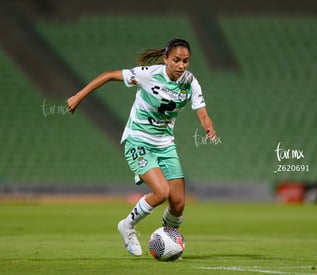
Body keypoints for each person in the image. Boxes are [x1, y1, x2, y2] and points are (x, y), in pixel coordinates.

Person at [66, 38, 217, 255]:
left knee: (179, 204)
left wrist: (208, 127)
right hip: (138, 139)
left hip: (165, 144)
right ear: (165, 59)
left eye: (186, 61)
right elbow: (109, 75)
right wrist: (78, 97)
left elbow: (202, 113)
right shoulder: (149, 74)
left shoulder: (191, 82)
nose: (181, 65)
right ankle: (127, 226)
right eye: (176, 60)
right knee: (161, 191)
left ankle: (167, 243)